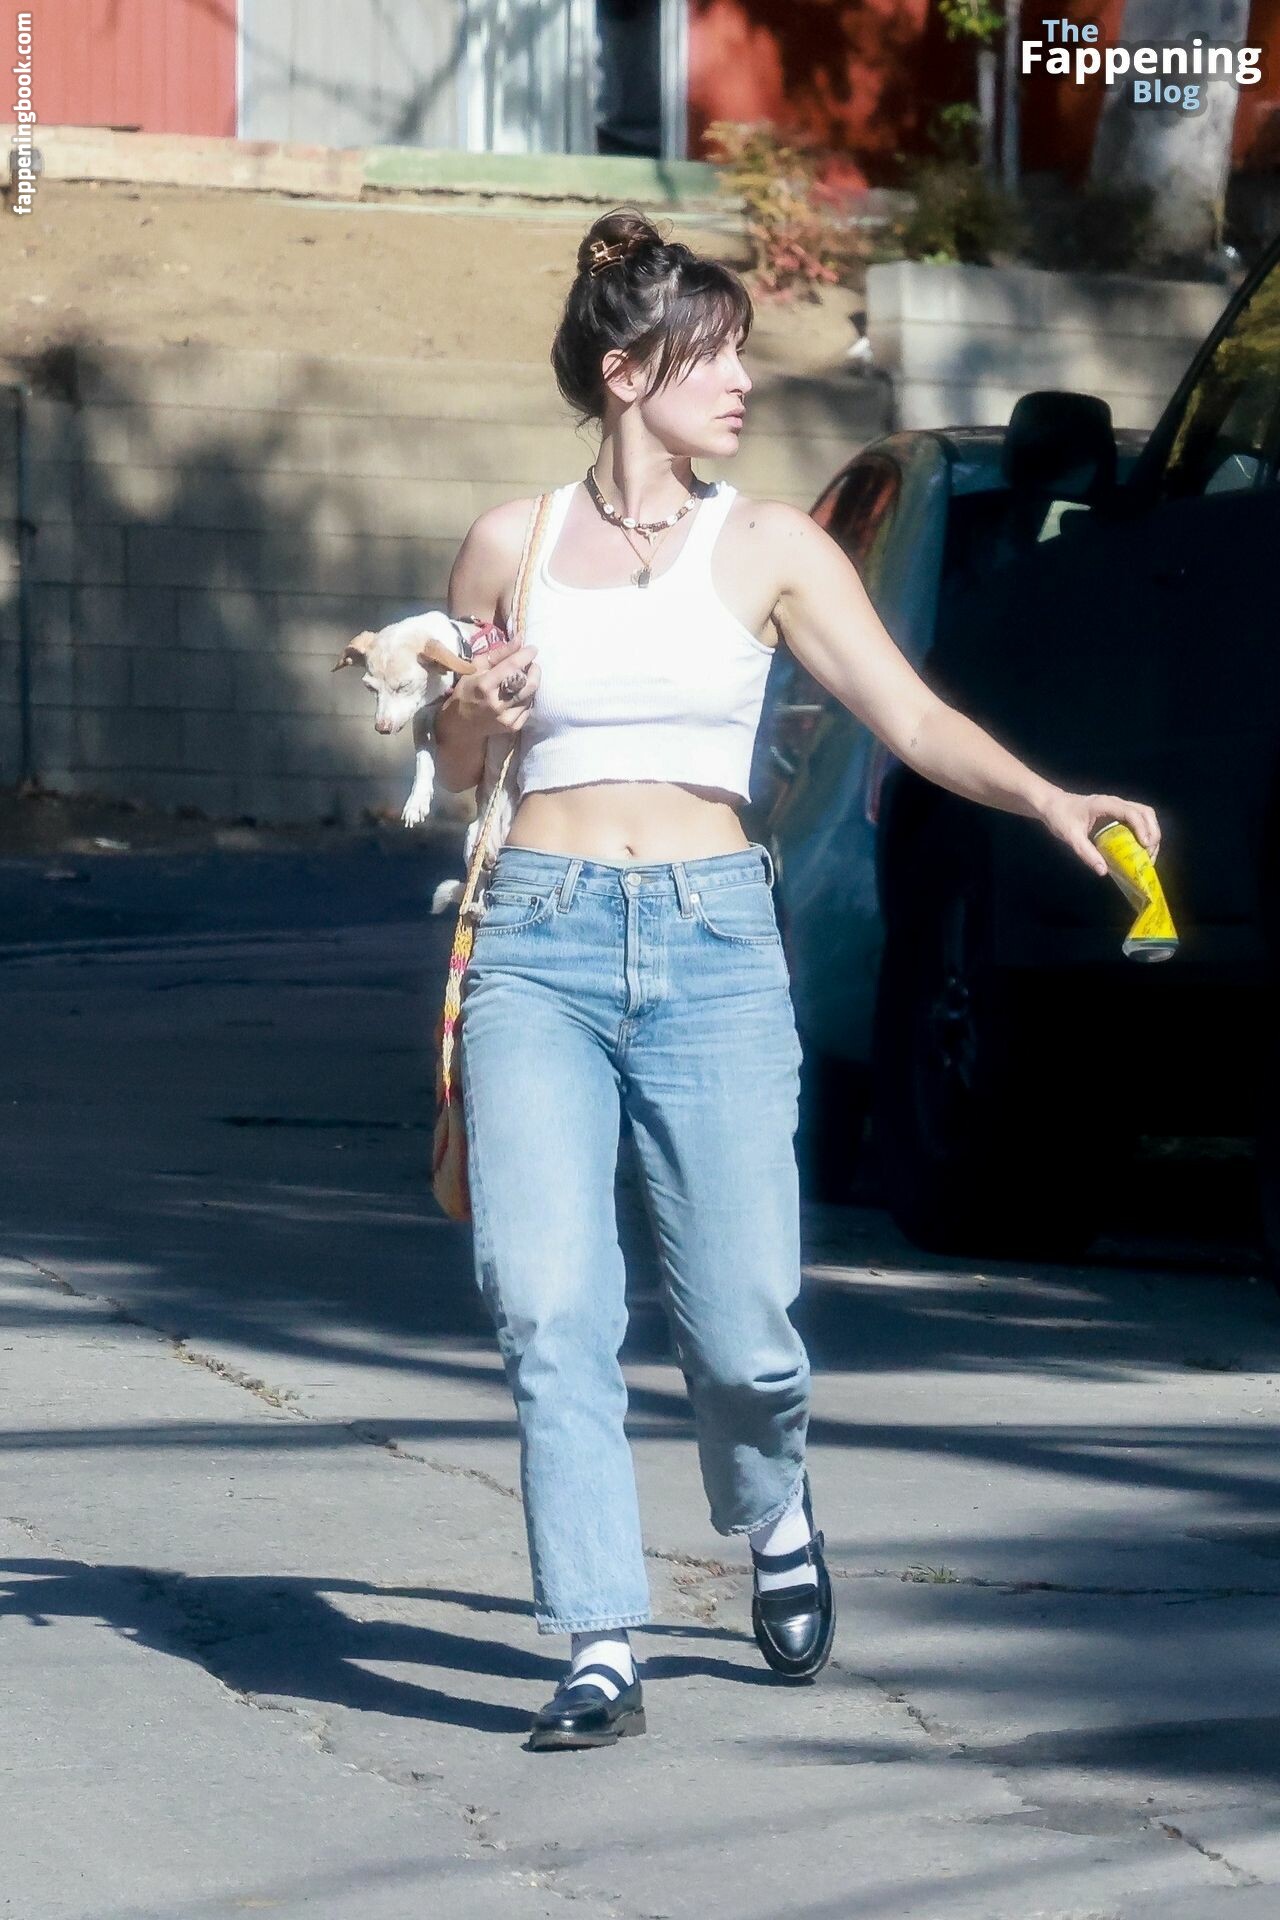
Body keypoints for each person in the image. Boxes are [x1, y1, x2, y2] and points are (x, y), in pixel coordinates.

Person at [432, 207, 1161, 1753]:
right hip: (538, 947)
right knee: (548, 1304)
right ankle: (601, 1639)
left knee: (744, 1327)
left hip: (710, 948)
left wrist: (1049, 800)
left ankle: (772, 1509)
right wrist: (479, 709)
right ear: (627, 373)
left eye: (745, 355)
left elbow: (912, 717)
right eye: (715, 357)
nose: (744, 382)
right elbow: (453, 766)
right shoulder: (509, 545)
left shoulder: (768, 546)